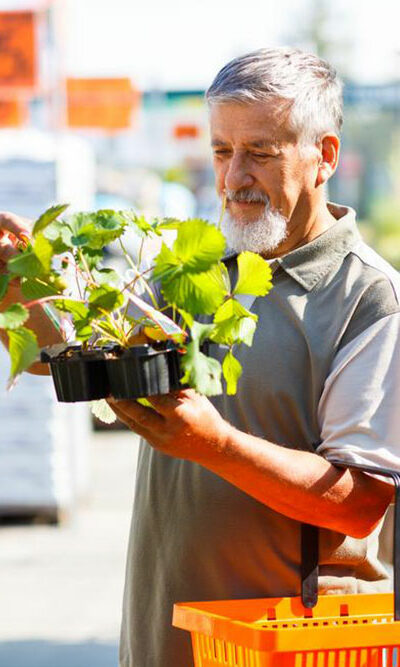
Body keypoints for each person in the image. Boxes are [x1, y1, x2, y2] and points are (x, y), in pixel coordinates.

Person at [0, 47, 399, 667]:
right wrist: (19, 285)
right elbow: (65, 352)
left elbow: (361, 500)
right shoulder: (199, 270)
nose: (234, 176)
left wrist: (214, 443)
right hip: (168, 638)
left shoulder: (367, 299)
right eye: (221, 151)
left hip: (291, 648)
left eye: (260, 153)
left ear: (324, 157)